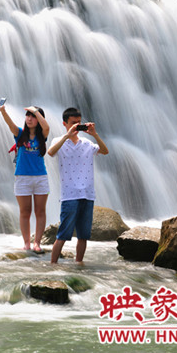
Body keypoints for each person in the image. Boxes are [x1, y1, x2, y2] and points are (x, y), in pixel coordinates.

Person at [48, 107, 109, 263]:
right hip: (69, 195)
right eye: (73, 123)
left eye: (79, 123)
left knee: (83, 235)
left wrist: (94, 134)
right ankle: (53, 265)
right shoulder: (58, 141)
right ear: (65, 124)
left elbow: (105, 151)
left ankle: (79, 263)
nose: (76, 126)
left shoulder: (87, 143)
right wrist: (67, 136)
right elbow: (51, 152)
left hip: (87, 193)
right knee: (62, 234)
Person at [0, 103, 50, 252]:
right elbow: (10, 124)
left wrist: (35, 111)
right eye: (28, 115)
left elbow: (46, 127)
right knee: (25, 211)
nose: (30, 118)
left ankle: (37, 243)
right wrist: (3, 111)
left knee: (40, 211)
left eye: (33, 116)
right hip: (22, 178)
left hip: (40, 177)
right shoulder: (20, 134)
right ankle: (27, 242)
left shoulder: (42, 136)